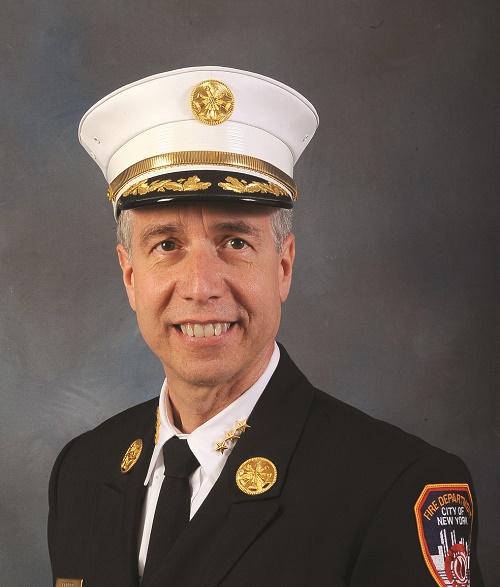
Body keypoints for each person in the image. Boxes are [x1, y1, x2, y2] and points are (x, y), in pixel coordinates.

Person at [48, 66, 483, 587]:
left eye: (235, 242)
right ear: (130, 276)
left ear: (283, 266)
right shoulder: (83, 472)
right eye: (167, 245)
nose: (201, 286)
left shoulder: (396, 487)